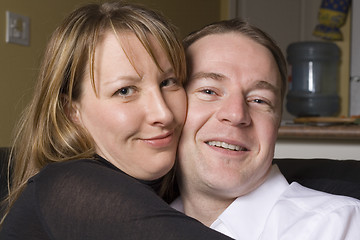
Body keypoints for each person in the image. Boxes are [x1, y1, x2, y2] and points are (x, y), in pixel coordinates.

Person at [0, 2, 233, 239]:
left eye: (168, 82)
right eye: (125, 91)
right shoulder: (69, 187)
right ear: (72, 111)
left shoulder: (165, 186)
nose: (163, 113)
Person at [171, 18, 360, 239]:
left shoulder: (338, 225)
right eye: (209, 91)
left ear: (277, 124)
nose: (236, 114)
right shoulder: (136, 218)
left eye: (260, 100)